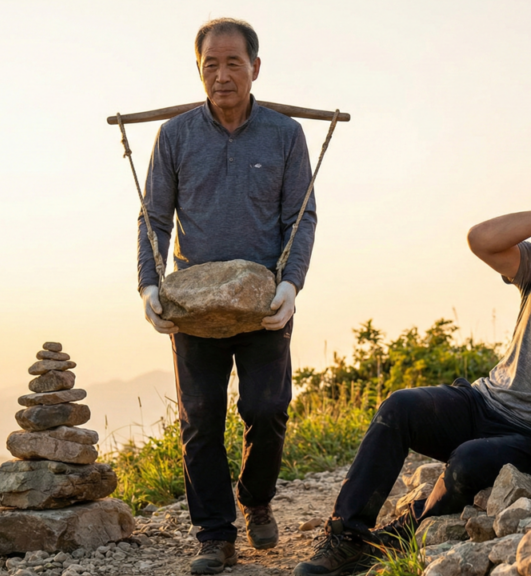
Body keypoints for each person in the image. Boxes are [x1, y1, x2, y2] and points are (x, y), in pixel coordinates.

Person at [294, 186, 531, 576]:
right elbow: (480, 240)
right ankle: (346, 536)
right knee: (399, 407)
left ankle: (404, 533)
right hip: (482, 402)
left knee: (468, 462)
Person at [136, 18, 317, 576]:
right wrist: (148, 285)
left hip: (263, 299)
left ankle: (256, 498)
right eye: (210, 64)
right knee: (201, 417)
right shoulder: (175, 136)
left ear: (255, 68)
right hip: (195, 302)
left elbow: (301, 216)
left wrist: (290, 286)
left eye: (232, 62)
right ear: (199, 70)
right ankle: (214, 534)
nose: (221, 75)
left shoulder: (285, 134)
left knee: (267, 409)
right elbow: (153, 218)